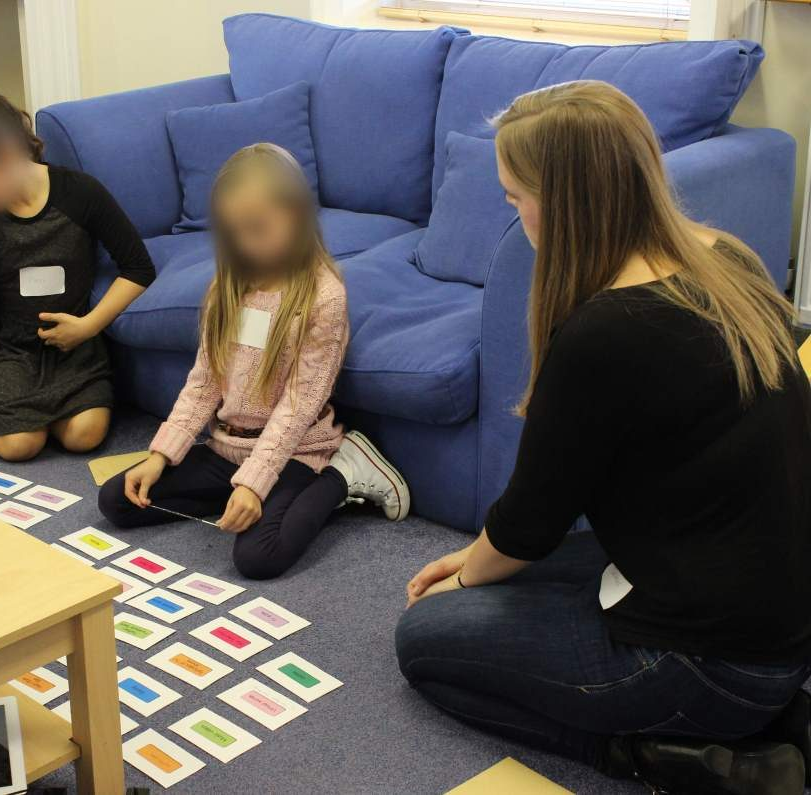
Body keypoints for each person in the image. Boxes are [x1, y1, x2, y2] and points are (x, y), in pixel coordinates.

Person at [394, 80, 811, 794]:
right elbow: (541, 521)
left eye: (514, 195)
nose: (511, 211)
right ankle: (763, 723)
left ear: (563, 203)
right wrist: (478, 554)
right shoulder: (725, 259)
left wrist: (465, 576)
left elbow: (529, 523)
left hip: (715, 665)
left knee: (424, 640)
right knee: (518, 583)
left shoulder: (603, 333)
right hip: (777, 630)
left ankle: (653, 756)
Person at [98, 143, 409, 580]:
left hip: (295, 451)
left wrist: (255, 481)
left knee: (258, 557)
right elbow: (204, 382)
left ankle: (343, 474)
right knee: (117, 499)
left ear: (297, 215)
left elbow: (299, 404)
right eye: (234, 232)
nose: (246, 243)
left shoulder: (324, 296)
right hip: (227, 449)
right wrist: (161, 455)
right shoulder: (226, 286)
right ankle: (239, 496)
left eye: (258, 229)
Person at [0, 94, 155, 461]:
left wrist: (88, 326)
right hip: (12, 352)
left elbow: (139, 267)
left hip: (75, 349)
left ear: (6, 155)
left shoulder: (81, 192)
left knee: (85, 435)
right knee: (21, 445)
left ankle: (32, 413)